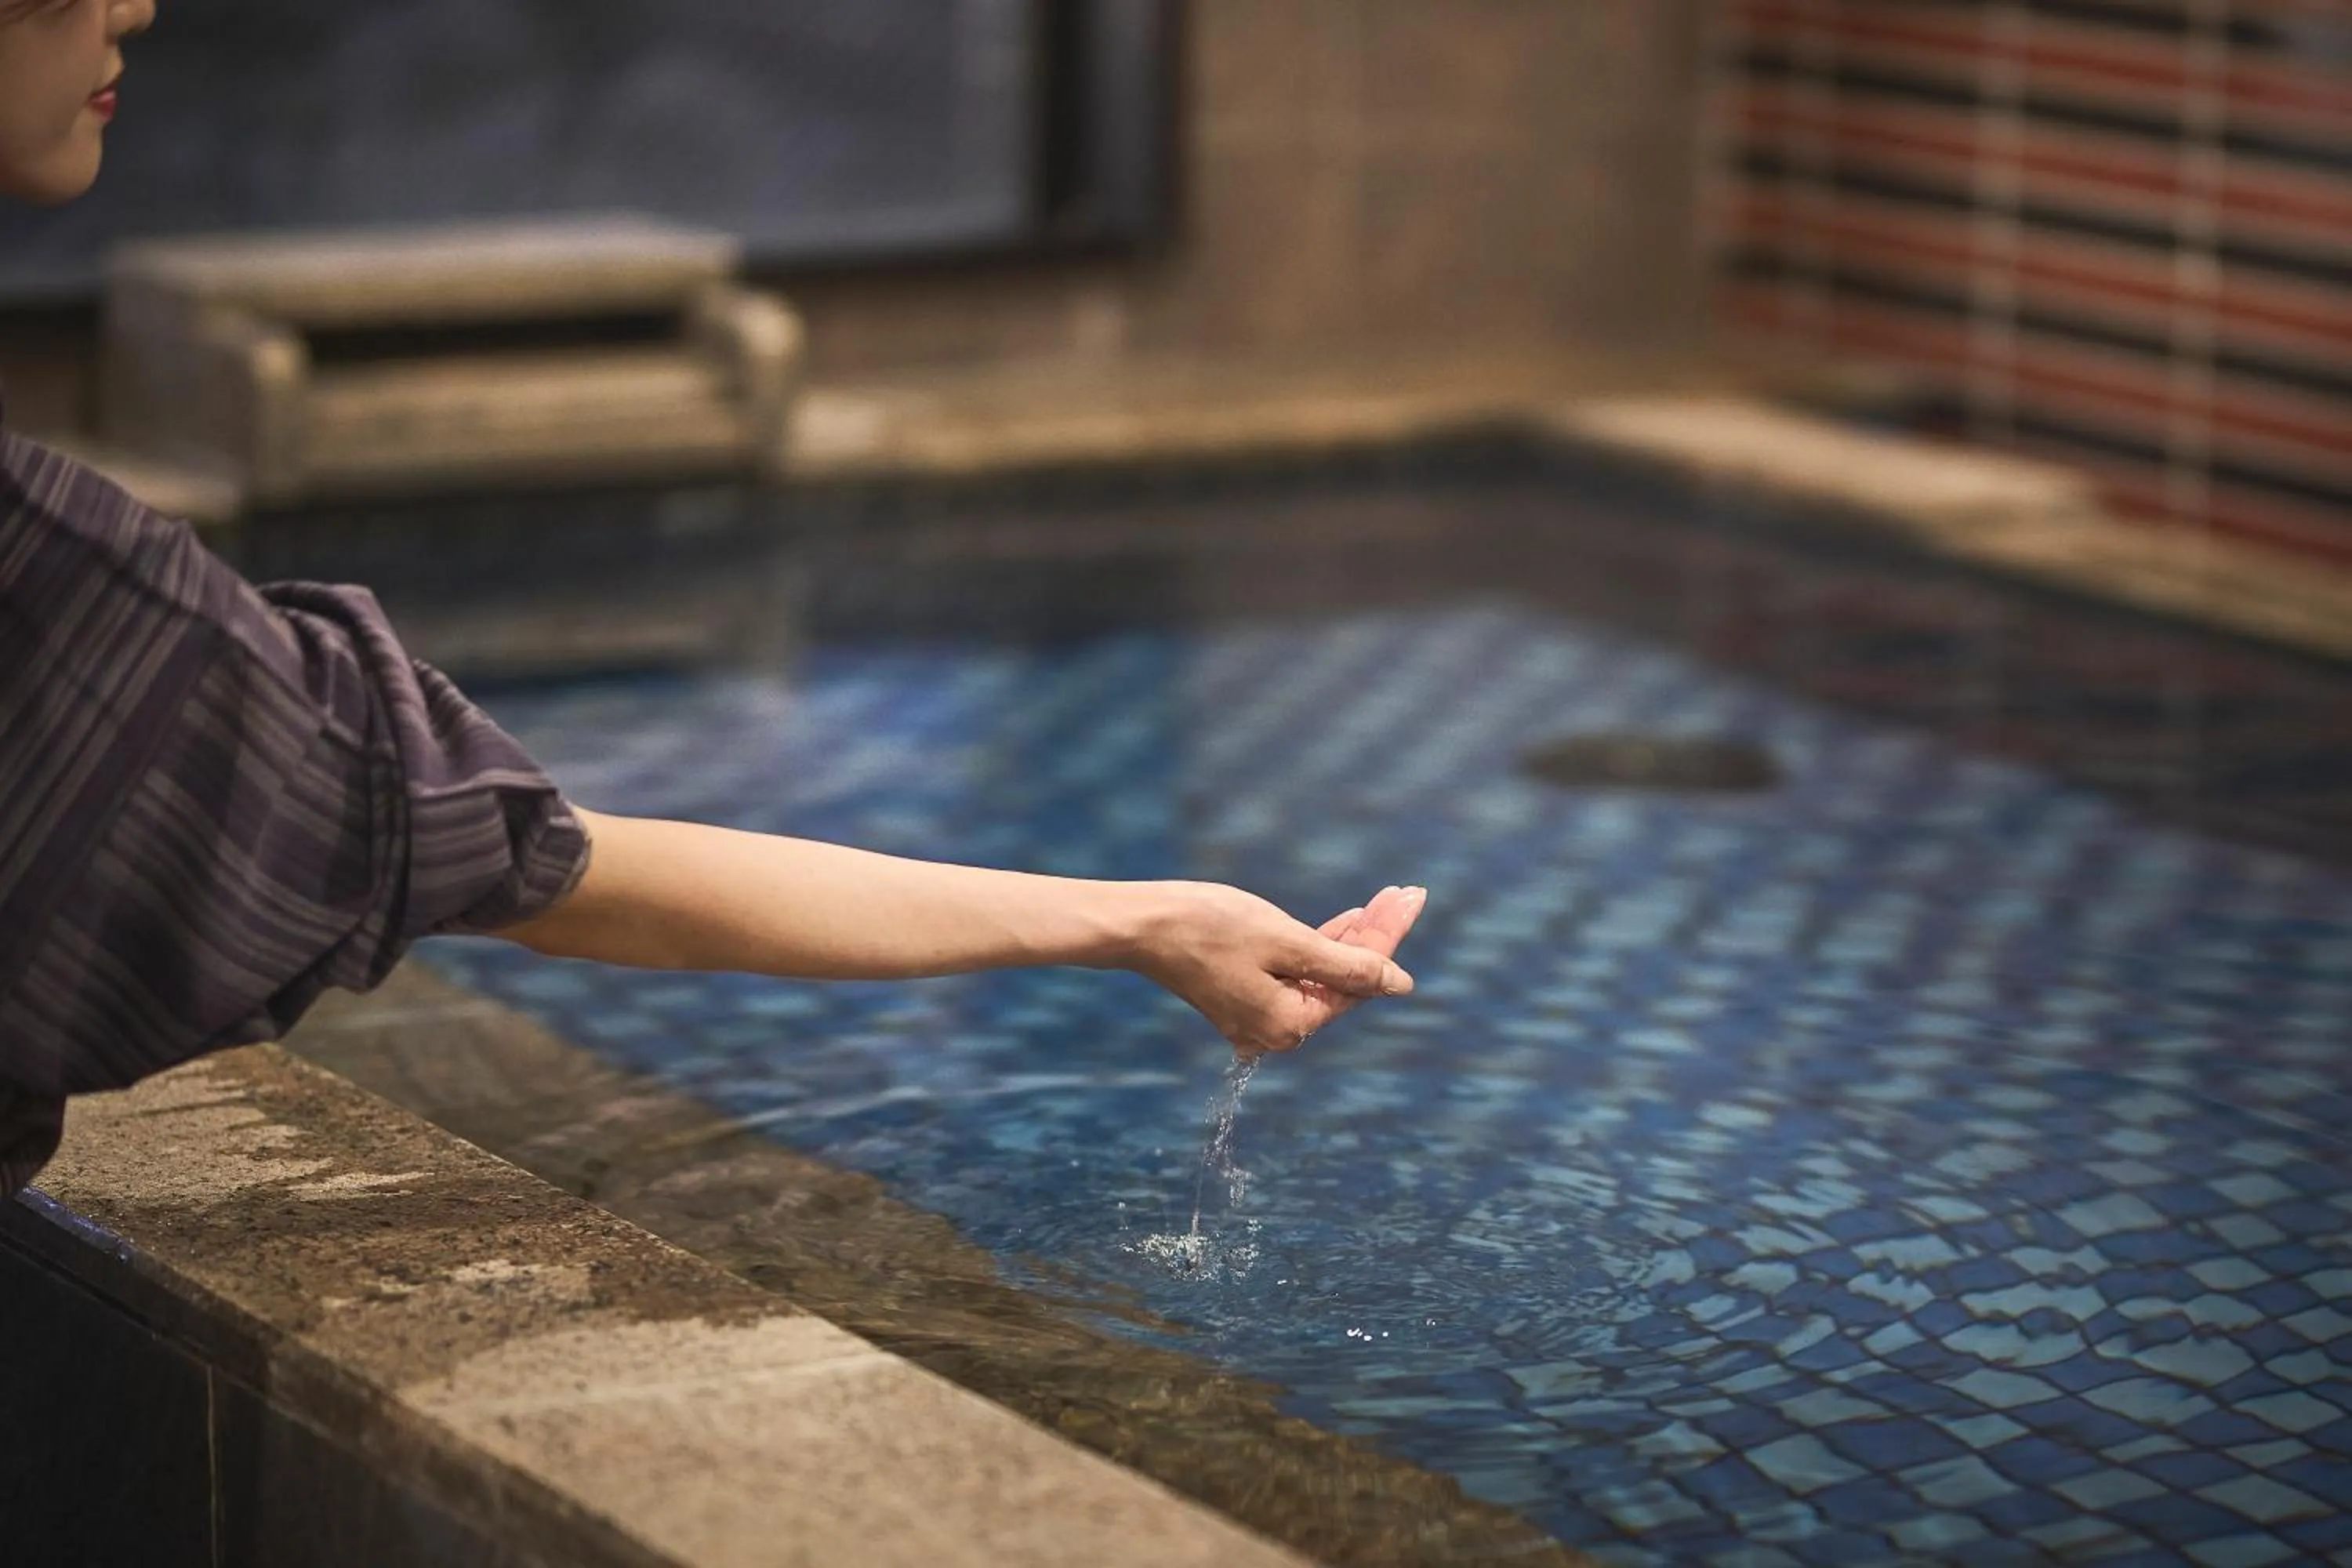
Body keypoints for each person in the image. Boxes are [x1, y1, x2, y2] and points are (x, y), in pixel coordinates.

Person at [0, 0, 1425, 1197]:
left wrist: (1152, 921)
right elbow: (552, 876)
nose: (132, 3)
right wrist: (1143, 924)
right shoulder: (70, 590)